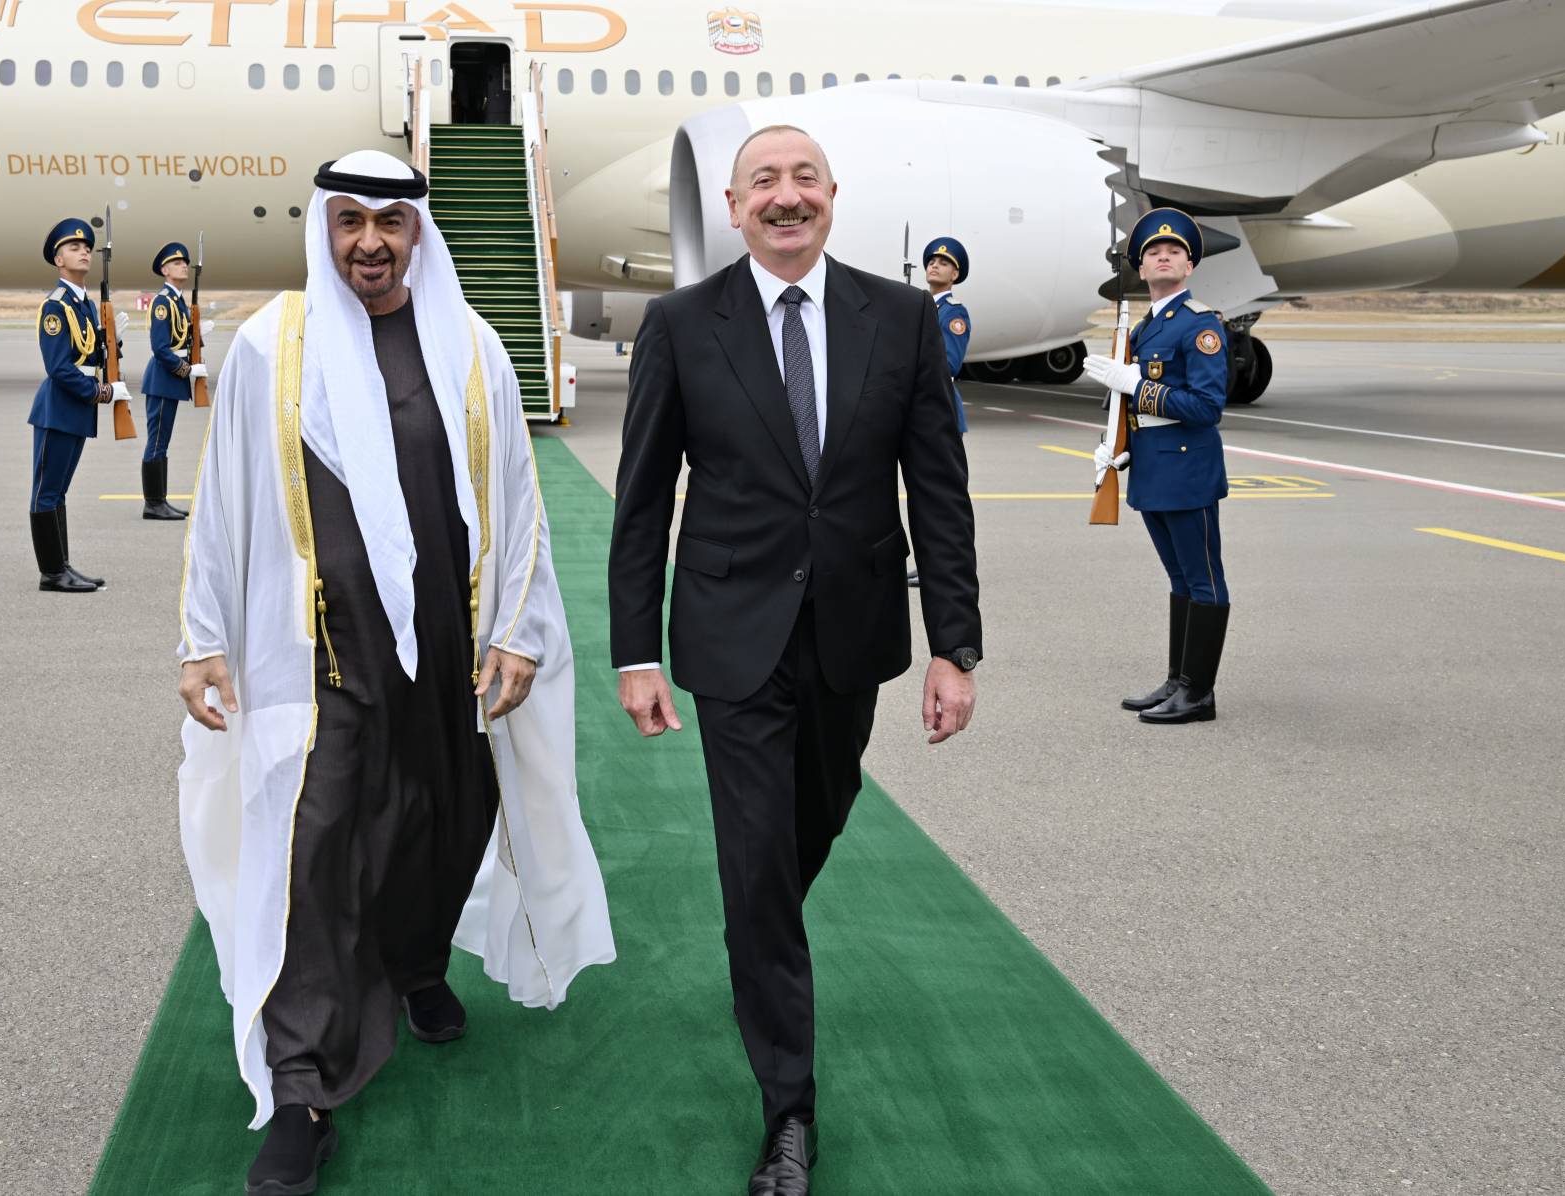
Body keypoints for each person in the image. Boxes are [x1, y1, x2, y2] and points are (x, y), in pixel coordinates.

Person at [174, 150, 613, 1196]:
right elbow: (223, 495)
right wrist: (202, 635)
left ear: (417, 233)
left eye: (389, 222)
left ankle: (415, 965)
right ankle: (301, 1083)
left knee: (443, 820)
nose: (368, 242)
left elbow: (518, 500)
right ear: (323, 230)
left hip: (450, 649)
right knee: (317, 842)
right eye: (349, 222)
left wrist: (518, 631)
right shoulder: (270, 345)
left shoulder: (470, 344)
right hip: (320, 651)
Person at [608, 125, 981, 1196]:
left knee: (810, 820)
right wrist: (635, 650)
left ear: (831, 196)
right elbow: (641, 502)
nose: (785, 196)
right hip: (731, 634)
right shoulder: (683, 324)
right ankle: (788, 1109)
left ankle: (755, 937)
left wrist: (954, 645)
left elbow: (938, 489)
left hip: (850, 633)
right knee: (758, 855)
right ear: (733, 206)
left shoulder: (899, 318)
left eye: (802, 179)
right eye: (763, 182)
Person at [1083, 207, 1233, 725]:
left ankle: (1199, 694)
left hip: (1188, 469)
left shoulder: (1201, 324)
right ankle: (1179, 680)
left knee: (1203, 578)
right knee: (1179, 577)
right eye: (1153, 252)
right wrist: (1121, 447)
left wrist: (1137, 385)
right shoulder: (1146, 328)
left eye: (1174, 251)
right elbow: (1136, 409)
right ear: (1141, 268)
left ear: (1189, 266)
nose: (1163, 256)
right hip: (1153, 466)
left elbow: (1207, 407)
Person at [27, 217, 129, 592]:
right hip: (58, 408)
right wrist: (102, 393)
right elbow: (59, 368)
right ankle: (52, 572)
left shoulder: (84, 305)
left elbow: (89, 355)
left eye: (87, 247)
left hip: (76, 410)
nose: (84, 252)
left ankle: (62, 565)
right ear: (59, 260)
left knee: (59, 491)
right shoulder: (56, 307)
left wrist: (113, 343)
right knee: (46, 492)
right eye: (74, 247)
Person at [911, 235, 972, 587]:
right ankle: (928, 564)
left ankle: (947, 566)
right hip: (921, 411)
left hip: (942, 411)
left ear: (955, 275)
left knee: (943, 497)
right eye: (932, 261)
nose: (936, 265)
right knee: (924, 496)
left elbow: (949, 362)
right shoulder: (920, 307)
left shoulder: (953, 314)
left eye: (944, 263)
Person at [139, 241, 200, 520]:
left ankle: (160, 500)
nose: (183, 266)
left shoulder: (177, 300)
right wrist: (187, 370)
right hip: (163, 380)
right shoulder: (163, 302)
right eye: (177, 263)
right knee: (157, 442)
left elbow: (178, 340)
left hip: (170, 380)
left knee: (162, 442)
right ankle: (153, 503)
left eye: (185, 262)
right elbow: (161, 348)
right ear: (165, 270)